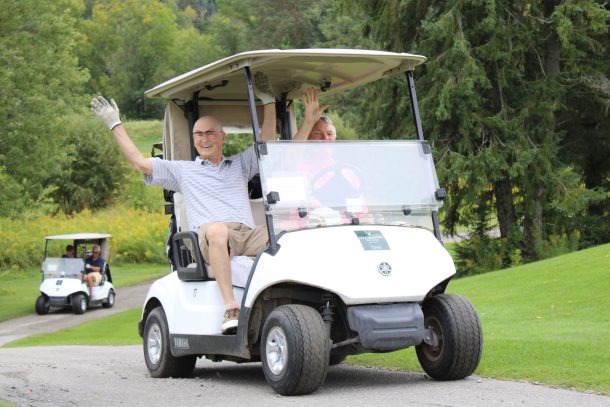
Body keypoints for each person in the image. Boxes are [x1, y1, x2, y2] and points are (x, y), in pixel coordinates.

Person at [90, 72, 276, 334]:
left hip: (245, 234)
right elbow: (140, 163)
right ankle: (230, 307)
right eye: (198, 134)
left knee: (288, 235)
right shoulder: (183, 171)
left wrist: (268, 102)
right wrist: (114, 124)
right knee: (218, 230)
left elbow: (265, 146)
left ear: (222, 137)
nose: (204, 139)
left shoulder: (239, 165)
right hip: (210, 237)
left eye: (210, 133)